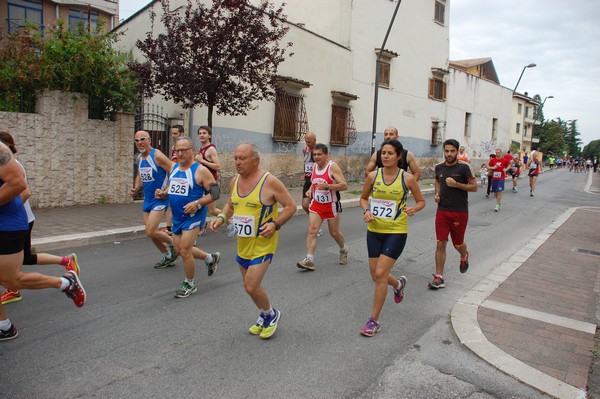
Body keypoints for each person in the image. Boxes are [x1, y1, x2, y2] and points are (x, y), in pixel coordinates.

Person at [0, 140, 86, 341]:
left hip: (8, 225)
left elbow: (19, 184)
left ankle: (66, 282)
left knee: (12, 280)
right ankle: (4, 326)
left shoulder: (1, 150)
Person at [210, 143, 296, 339]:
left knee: (250, 286)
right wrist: (221, 217)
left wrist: (275, 224)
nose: (237, 162)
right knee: (251, 289)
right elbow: (231, 204)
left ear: (255, 160)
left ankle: (272, 314)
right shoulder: (234, 181)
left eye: (242, 158)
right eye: (235, 158)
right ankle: (264, 314)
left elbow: (290, 206)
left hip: (264, 244)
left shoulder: (270, 182)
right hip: (243, 244)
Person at [359, 139, 425, 337]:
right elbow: (363, 198)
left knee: (380, 274)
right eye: (383, 153)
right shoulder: (372, 176)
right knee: (375, 275)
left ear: (399, 156)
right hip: (375, 230)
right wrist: (367, 210)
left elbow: (421, 201)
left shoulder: (407, 179)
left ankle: (374, 321)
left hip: (396, 231)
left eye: (390, 153)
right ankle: (398, 284)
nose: (385, 156)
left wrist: (413, 208)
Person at [155, 137, 221, 298]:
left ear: (192, 150)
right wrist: (164, 194)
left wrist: (197, 203)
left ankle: (190, 284)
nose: (181, 153)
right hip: (178, 217)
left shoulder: (201, 170)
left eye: (184, 150)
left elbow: (215, 193)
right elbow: (173, 188)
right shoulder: (174, 168)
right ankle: (210, 258)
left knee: (184, 250)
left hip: (194, 216)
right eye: (177, 150)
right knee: (179, 250)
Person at [429, 139, 477, 290]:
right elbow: (437, 181)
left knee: (458, 244)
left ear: (457, 151)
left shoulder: (464, 168)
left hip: (459, 212)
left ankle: (464, 255)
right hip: (442, 210)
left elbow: (474, 187)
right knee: (440, 242)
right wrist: (437, 194)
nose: (449, 154)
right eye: (446, 151)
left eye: (452, 151)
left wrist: (457, 185)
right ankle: (439, 277)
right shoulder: (439, 167)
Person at [129, 130, 178, 269]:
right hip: (148, 200)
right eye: (136, 140)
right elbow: (140, 175)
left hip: (160, 199)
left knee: (151, 231)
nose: (139, 143)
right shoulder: (139, 158)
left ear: (149, 140)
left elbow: (174, 171)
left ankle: (174, 244)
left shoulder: (156, 155)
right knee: (151, 233)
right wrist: (136, 188)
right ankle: (168, 256)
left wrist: (166, 191)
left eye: (142, 139)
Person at [296, 143, 349, 271]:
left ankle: (343, 249)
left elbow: (344, 185)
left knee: (334, 232)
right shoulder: (314, 167)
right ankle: (309, 260)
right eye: (314, 154)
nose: (316, 157)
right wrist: (310, 190)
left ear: (326, 155)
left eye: (319, 154)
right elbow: (314, 182)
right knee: (312, 230)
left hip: (331, 205)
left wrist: (327, 186)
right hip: (317, 204)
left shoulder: (332, 167)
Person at [194, 126, 223, 236]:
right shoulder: (201, 149)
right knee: (199, 206)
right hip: (202, 183)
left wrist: (202, 160)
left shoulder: (211, 149)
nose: (201, 135)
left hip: (210, 184)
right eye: (200, 133)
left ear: (209, 135)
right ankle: (200, 227)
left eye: (204, 133)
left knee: (212, 210)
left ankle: (231, 221)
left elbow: (218, 166)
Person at [162, 124, 186, 236]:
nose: (173, 135)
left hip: (183, 180)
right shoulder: (174, 148)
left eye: (175, 133)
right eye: (172, 133)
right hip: (175, 179)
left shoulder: (186, 147)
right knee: (171, 205)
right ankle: (169, 228)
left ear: (181, 134)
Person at [301, 133, 323, 237]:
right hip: (308, 179)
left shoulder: (319, 151)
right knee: (305, 205)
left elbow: (325, 164)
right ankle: (316, 222)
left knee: (315, 205)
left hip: (317, 181)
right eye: (306, 141)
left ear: (315, 140)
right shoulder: (305, 149)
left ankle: (316, 226)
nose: (307, 143)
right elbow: (305, 163)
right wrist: (304, 173)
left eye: (309, 141)